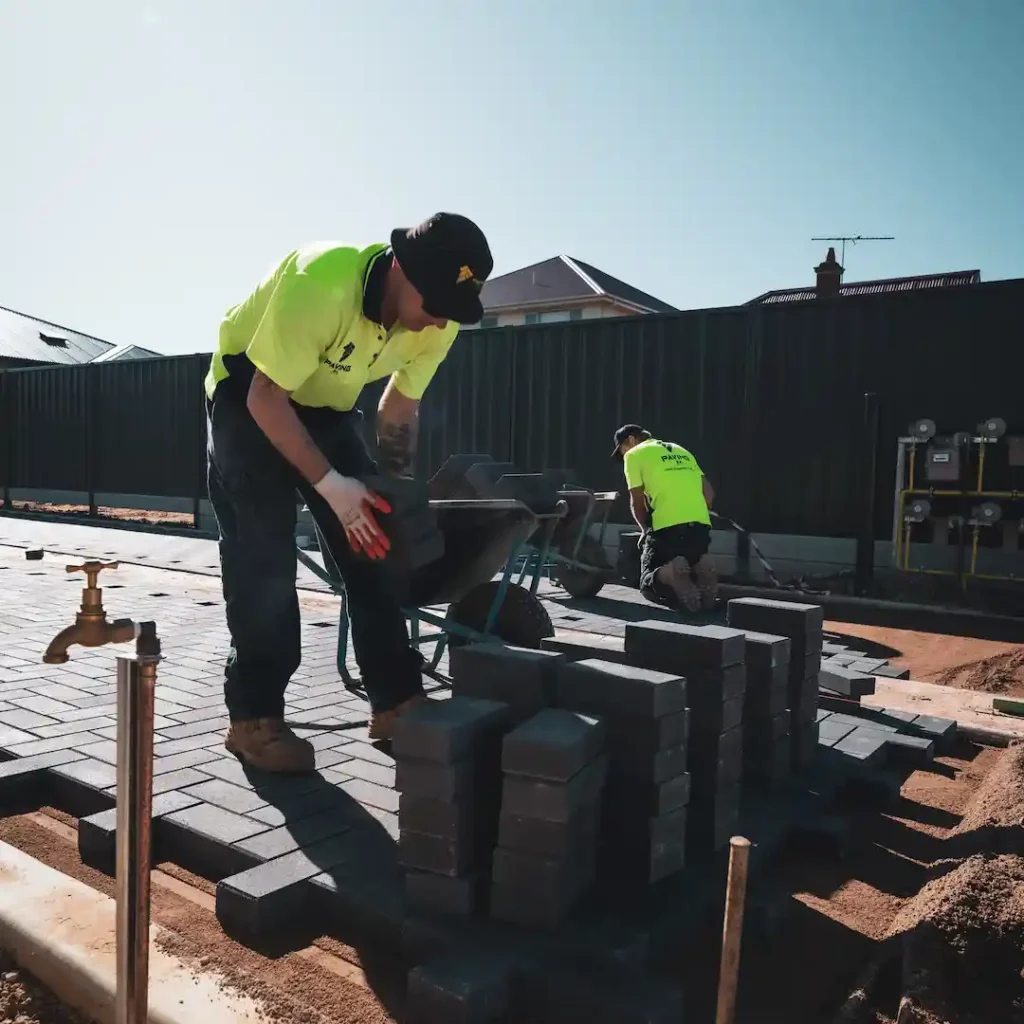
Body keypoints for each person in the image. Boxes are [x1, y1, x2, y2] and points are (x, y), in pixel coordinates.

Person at [205, 213, 493, 771]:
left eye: (451, 314)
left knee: (377, 547)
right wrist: (332, 485)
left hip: (327, 410)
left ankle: (395, 700)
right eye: (435, 308)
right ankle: (253, 718)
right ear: (403, 273)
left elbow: (399, 406)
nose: (440, 325)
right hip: (249, 395)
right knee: (262, 558)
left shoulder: (441, 319)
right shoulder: (321, 281)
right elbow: (266, 398)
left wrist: (388, 496)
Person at [612, 424, 718, 613]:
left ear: (631, 440)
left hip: (667, 529)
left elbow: (637, 502)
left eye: (621, 449)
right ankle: (700, 565)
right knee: (687, 568)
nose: (622, 455)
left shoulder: (634, 454)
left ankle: (669, 572)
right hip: (700, 528)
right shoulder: (681, 450)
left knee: (647, 583)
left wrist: (645, 531)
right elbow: (708, 493)